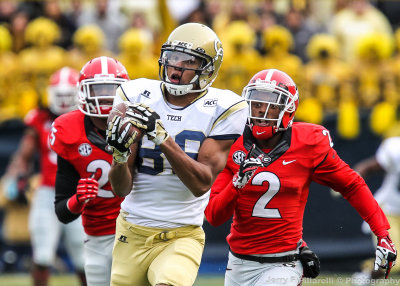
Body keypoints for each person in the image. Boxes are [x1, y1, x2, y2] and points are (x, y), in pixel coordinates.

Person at [204, 69, 397, 286]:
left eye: (271, 106)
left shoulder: (308, 143)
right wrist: (236, 184)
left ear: (288, 109)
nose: (261, 112)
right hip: (238, 263)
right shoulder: (233, 142)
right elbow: (214, 216)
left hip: (283, 263)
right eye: (256, 104)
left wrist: (382, 234)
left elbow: (352, 185)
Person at [106, 22, 248, 286]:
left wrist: (161, 136)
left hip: (182, 233)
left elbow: (201, 184)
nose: (176, 67)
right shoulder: (135, 95)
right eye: (172, 58)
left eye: (188, 61)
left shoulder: (224, 108)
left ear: (208, 69)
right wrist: (120, 158)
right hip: (131, 230)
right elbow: (121, 189)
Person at [2, 67, 86, 286]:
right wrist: (16, 177)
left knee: (84, 257)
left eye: (69, 95)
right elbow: (24, 154)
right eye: (60, 96)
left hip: (81, 192)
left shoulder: (88, 118)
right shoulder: (38, 119)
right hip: (48, 191)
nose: (64, 101)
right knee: (42, 254)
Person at [49, 57, 129, 286]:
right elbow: (63, 211)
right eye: (98, 89)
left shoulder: (138, 123)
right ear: (83, 91)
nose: (105, 96)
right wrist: (79, 199)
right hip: (98, 233)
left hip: (140, 228)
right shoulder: (68, 130)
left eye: (111, 89)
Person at [352, 136, 400, 281]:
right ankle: (365, 278)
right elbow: (367, 167)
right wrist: (352, 181)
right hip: (388, 212)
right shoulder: (396, 149)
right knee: (394, 259)